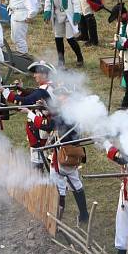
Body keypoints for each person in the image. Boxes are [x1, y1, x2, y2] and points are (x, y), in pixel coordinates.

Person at [44, 85, 90, 224]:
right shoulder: (70, 110)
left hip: (65, 154)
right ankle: (84, 215)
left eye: (61, 95)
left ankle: (57, 219)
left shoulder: (67, 112)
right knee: (75, 183)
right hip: (69, 152)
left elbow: (49, 125)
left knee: (58, 185)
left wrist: (33, 115)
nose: (58, 98)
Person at [3, 61, 56, 170]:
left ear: (45, 74)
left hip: (42, 129)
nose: (34, 75)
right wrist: (21, 90)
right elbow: (32, 96)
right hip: (46, 128)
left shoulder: (44, 90)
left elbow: (26, 101)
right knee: (46, 160)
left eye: (36, 73)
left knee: (40, 162)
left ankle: (42, 183)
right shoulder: (49, 87)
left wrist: (5, 93)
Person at [44, 0, 85, 67]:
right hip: (57, 16)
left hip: (68, 16)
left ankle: (79, 57)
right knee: (58, 38)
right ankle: (61, 60)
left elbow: (76, 2)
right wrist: (47, 11)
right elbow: (48, 1)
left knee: (70, 38)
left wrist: (77, 14)